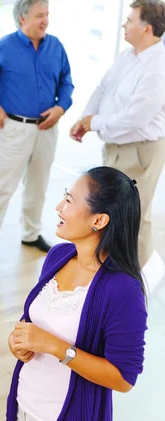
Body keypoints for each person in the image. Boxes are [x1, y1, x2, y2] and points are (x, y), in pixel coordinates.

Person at [6, 166, 148, 421]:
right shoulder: (58, 256)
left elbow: (124, 378)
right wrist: (19, 343)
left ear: (99, 220)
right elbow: (32, 323)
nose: (58, 206)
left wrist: (54, 346)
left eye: (69, 200)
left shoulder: (124, 291)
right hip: (22, 405)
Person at [0, 0, 74, 252]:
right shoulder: (3, 47)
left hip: (47, 129)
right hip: (14, 130)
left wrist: (61, 107)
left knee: (38, 186)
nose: (45, 20)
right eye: (40, 15)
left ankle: (31, 234)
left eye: (47, 14)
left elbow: (66, 82)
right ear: (22, 19)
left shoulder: (56, 46)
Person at [70, 0, 165, 270]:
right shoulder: (128, 55)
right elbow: (103, 89)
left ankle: (136, 283)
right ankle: (108, 272)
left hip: (140, 149)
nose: (125, 24)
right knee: (109, 212)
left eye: (130, 20)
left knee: (135, 218)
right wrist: (85, 119)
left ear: (146, 29)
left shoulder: (158, 67)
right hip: (116, 146)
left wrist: (94, 122)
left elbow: (136, 118)